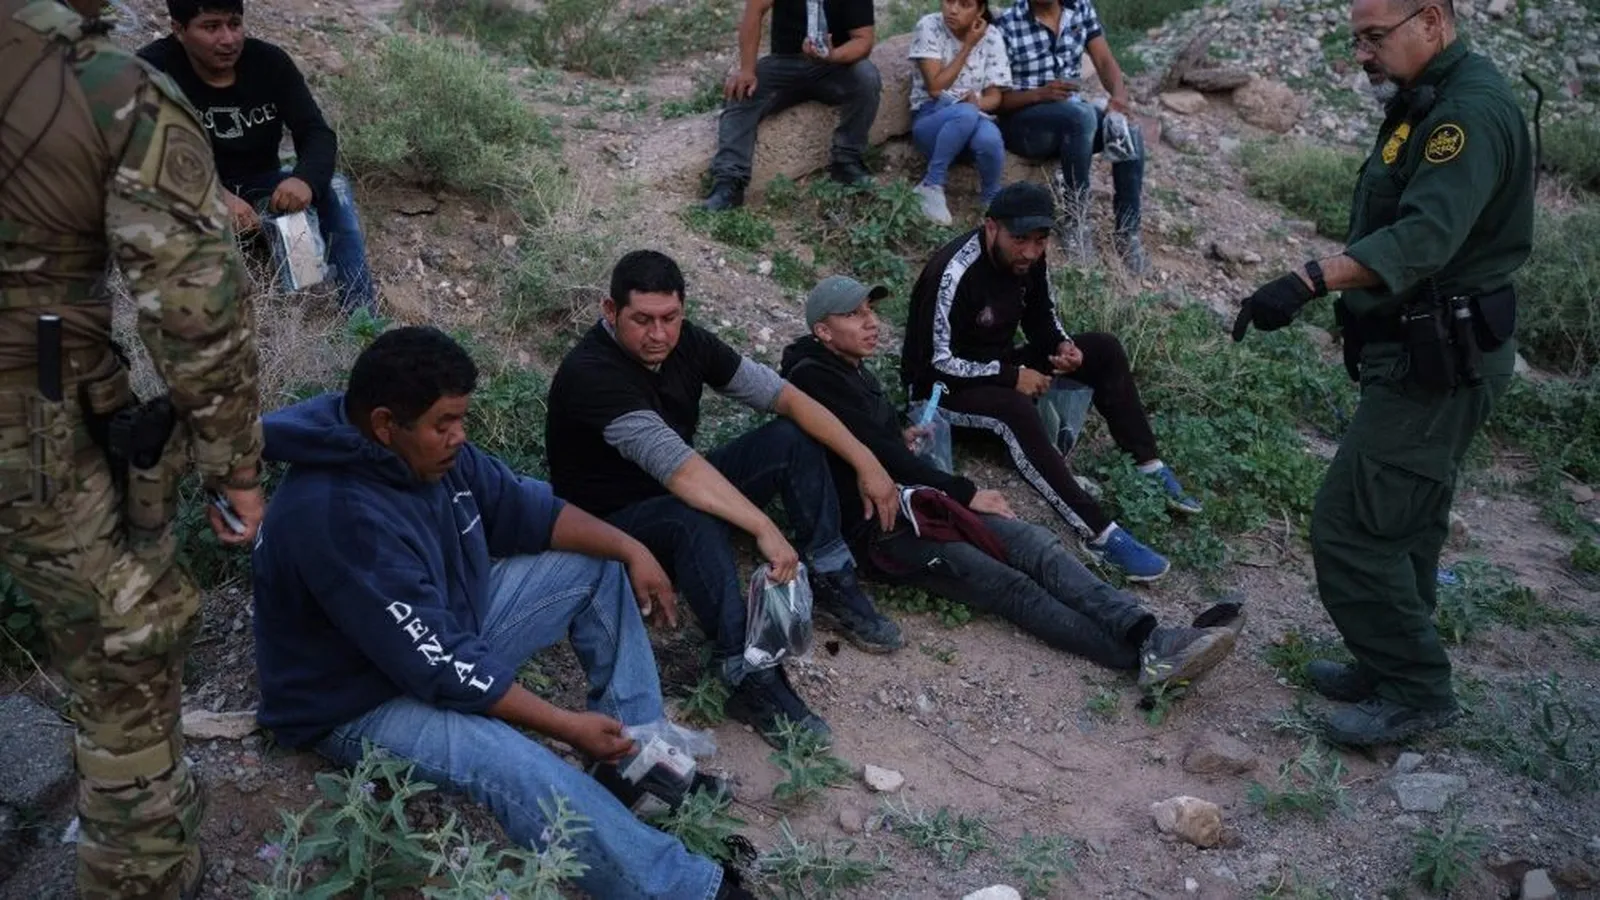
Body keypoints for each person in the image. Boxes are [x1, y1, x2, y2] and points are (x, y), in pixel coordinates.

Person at [251, 327, 755, 900]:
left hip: (434, 635)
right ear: (386, 424)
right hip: (356, 699)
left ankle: (635, 765)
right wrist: (564, 725)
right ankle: (684, 889)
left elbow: (529, 511)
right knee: (513, 763)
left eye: (462, 419)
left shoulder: (430, 455)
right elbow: (441, 664)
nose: (459, 436)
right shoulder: (335, 515)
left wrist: (630, 547)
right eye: (445, 424)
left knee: (595, 562)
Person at [0, 0, 266, 893]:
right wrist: (236, 465)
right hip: (31, 414)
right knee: (126, 651)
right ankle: (141, 878)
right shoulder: (104, 85)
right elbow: (195, 307)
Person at [1233, 0, 1533, 746]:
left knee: (1353, 526)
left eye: (1374, 37)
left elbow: (1425, 237)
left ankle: (1416, 690)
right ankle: (1389, 660)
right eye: (1356, 40)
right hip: (1420, 344)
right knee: (1406, 518)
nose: (1362, 54)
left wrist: (1309, 280)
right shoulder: (1424, 98)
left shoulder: (1467, 113)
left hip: (1444, 357)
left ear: (1430, 20)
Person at [781, 276, 1240, 686]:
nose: (871, 322)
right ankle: (1141, 657)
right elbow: (876, 457)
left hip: (918, 502)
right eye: (854, 314)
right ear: (823, 330)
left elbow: (866, 441)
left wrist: (899, 436)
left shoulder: (848, 367)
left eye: (870, 310)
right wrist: (966, 492)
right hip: (884, 532)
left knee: (1036, 546)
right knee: (1010, 587)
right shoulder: (813, 378)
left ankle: (1150, 634)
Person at [546, 250, 902, 745]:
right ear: (611, 311)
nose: (658, 334)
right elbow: (680, 471)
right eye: (642, 320)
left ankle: (830, 577)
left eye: (670, 317)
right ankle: (744, 672)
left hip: (673, 489)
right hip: (609, 524)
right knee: (689, 518)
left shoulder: (687, 342)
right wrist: (763, 527)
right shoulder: (593, 375)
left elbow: (786, 397)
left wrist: (868, 462)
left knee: (789, 439)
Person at [901, 182, 1201, 583]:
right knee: (1013, 408)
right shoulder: (953, 273)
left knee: (1103, 349)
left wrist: (1062, 345)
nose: (1030, 251)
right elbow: (934, 365)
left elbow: (1041, 315)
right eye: (1019, 239)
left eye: (1040, 240)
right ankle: (1099, 533)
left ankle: (1149, 466)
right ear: (991, 228)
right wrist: (1012, 377)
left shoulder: (1030, 260)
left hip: (997, 368)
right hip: (941, 394)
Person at [138, 0, 376, 313]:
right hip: (183, 192)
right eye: (211, 27)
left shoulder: (269, 63)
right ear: (179, 30)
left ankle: (360, 319)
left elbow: (315, 132)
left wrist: (304, 179)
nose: (228, 39)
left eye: (234, 24)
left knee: (333, 187)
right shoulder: (151, 70)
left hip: (260, 186)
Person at [994, 0, 1148, 272]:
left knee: (1127, 130)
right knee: (1082, 116)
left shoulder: (1080, 8)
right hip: (1024, 122)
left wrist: (1118, 98)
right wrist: (1041, 94)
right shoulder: (1008, 23)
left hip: (1072, 118)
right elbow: (997, 100)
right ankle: (1076, 221)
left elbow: (1103, 60)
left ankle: (1128, 232)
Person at [702, 0, 880, 210]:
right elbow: (754, 11)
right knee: (743, 91)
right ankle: (729, 182)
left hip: (834, 67)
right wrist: (747, 69)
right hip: (785, 62)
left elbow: (863, 40)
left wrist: (832, 55)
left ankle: (847, 161)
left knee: (867, 77)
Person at [907, 0, 1012, 225]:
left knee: (990, 138)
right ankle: (931, 184)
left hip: (972, 117)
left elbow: (995, 97)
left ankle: (991, 203)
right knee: (965, 113)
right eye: (949, 1)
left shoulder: (992, 36)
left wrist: (978, 103)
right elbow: (936, 88)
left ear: (980, 10)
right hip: (932, 119)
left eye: (965, 4)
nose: (953, 10)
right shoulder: (929, 26)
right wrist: (968, 46)